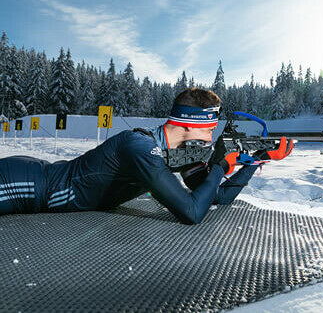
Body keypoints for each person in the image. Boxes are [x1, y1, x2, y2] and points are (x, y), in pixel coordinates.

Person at [0, 88, 293, 224]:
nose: (211, 137)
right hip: (29, 184)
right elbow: (191, 213)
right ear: (191, 124)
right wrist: (219, 165)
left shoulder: (173, 153)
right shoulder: (140, 147)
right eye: (209, 129)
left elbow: (215, 197)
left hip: (35, 183)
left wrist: (257, 159)